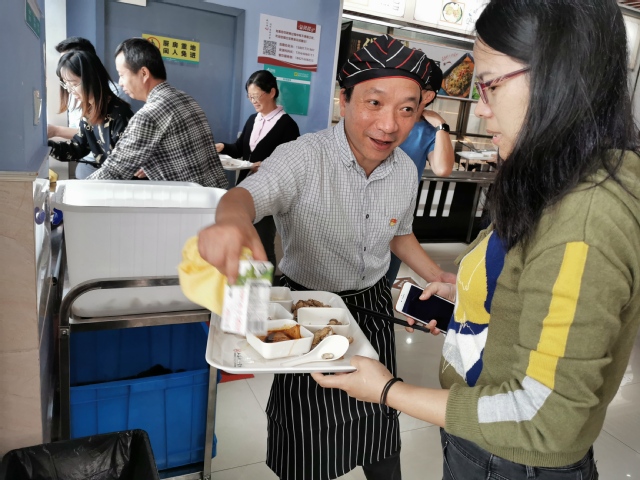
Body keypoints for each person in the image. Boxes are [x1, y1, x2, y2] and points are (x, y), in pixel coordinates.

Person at [311, 1, 640, 479]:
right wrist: (465, 295)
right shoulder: (551, 177)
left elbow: (546, 418)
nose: (482, 107)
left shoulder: (587, 214)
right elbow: (531, 287)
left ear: (557, 76)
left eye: (490, 85)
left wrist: (386, 391)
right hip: (480, 433)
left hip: (511, 459)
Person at [198, 34, 456, 480]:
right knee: (307, 441)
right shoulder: (302, 157)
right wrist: (231, 222)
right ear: (344, 99)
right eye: (374, 103)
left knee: (380, 426)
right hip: (305, 312)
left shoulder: (404, 170)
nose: (389, 125)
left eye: (407, 109)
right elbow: (243, 197)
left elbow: (399, 232)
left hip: (373, 308)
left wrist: (438, 276)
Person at [88, 38, 228, 188]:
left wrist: (77, 190)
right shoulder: (186, 98)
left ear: (144, 73)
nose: (120, 83)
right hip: (216, 194)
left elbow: (113, 171)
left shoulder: (148, 115)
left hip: (190, 200)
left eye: (121, 75)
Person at [215, 70, 300, 267]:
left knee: (262, 245)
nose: (253, 101)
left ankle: (266, 285)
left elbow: (291, 164)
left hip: (268, 194)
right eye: (250, 96)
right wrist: (223, 147)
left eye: (256, 96)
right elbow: (240, 149)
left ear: (271, 92)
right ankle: (245, 284)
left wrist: (265, 166)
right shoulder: (253, 120)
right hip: (244, 191)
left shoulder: (288, 125)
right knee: (242, 244)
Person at [385, 59, 454, 287]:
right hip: (361, 208)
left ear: (428, 96)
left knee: (384, 282)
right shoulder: (386, 120)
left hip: (398, 217)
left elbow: (443, 168)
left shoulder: (428, 131)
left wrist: (441, 125)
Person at [48, 50, 133, 177]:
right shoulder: (89, 111)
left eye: (74, 84)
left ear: (92, 79)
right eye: (66, 84)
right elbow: (78, 148)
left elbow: (122, 166)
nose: (70, 91)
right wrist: (46, 146)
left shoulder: (119, 115)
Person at [48, 36, 103, 178]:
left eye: (69, 59)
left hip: (106, 172)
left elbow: (119, 163)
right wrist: (47, 146)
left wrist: (55, 131)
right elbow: (81, 143)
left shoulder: (115, 105)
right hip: (87, 163)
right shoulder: (78, 96)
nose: (64, 65)